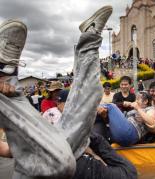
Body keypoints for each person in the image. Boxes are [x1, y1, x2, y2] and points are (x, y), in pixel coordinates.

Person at [0, 6, 137, 179]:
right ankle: (89, 39)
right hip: (72, 157)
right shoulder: (49, 111)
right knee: (94, 92)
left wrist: (25, 146)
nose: (57, 95)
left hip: (45, 161)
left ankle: (4, 74)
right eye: (56, 94)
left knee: (60, 161)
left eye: (59, 93)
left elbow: (7, 149)